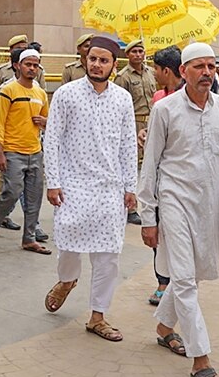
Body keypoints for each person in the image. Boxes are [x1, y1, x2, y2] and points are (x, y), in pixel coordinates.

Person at [139, 43, 219, 377]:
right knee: (182, 278)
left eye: (212, 66)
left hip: (209, 204)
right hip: (174, 202)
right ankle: (202, 360)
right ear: (183, 72)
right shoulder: (165, 110)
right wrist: (147, 215)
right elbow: (150, 164)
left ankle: (165, 328)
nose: (208, 73)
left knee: (193, 275)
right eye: (199, 66)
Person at [42, 37, 138, 342]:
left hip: (110, 188)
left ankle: (98, 316)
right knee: (68, 245)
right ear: (85, 60)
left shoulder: (123, 99)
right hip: (73, 185)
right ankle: (67, 280)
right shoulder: (66, 95)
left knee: (107, 257)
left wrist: (130, 187)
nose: (97, 64)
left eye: (103, 60)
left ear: (114, 64)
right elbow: (53, 140)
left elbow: (127, 145)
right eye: (92, 59)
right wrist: (53, 182)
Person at [0, 48, 50, 253]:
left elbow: (49, 121)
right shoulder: (8, 90)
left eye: (35, 65)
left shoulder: (40, 93)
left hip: (35, 151)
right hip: (12, 151)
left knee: (34, 196)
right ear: (18, 66)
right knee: (10, 193)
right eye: (28, 64)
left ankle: (29, 238)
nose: (32, 68)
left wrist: (44, 121)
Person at [146, 45, 183, 306]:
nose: (154, 74)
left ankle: (176, 281)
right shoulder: (158, 96)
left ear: (166, 70)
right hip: (158, 173)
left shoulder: (188, 98)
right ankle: (162, 281)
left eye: (156, 70)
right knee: (157, 228)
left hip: (179, 177)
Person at [114, 40, 157, 224]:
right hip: (133, 122)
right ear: (127, 55)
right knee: (131, 165)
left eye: (141, 51)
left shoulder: (151, 73)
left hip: (152, 121)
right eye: (134, 51)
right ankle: (130, 206)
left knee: (151, 165)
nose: (138, 55)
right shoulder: (122, 77)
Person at [0, 34, 43, 99]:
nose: (22, 51)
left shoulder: (38, 70)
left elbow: (42, 92)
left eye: (24, 49)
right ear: (10, 50)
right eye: (18, 48)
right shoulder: (2, 71)